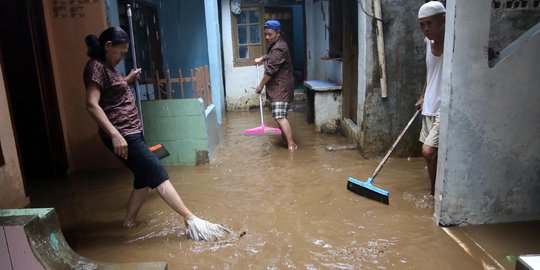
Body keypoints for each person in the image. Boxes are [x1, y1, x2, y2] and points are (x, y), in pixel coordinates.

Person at [83, 27, 229, 241]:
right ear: (108, 46)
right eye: (120, 52)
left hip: (132, 131)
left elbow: (112, 90)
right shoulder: (95, 67)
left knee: (143, 178)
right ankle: (190, 219)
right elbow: (92, 104)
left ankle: (129, 222)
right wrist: (115, 135)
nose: (122, 57)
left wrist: (128, 79)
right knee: (157, 171)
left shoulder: (108, 67)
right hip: (123, 134)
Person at [414, 1, 446, 196]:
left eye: (430, 23)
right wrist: (422, 96)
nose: (426, 29)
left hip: (446, 107)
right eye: (422, 24)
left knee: (428, 151)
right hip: (429, 105)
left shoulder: (455, 44)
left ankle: (435, 193)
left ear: (443, 21)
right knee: (431, 155)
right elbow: (430, 73)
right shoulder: (427, 44)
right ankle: (434, 194)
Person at [254, 20, 297, 151]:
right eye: (265, 34)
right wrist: (264, 58)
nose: (267, 37)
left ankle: (291, 144)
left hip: (281, 88)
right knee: (280, 116)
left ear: (278, 33)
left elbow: (270, 71)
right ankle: (285, 141)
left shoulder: (279, 47)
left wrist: (260, 85)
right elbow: (273, 57)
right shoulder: (277, 45)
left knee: (279, 116)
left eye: (270, 34)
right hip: (279, 87)